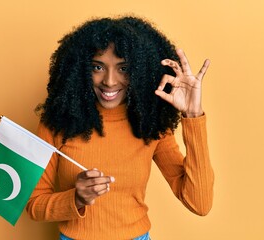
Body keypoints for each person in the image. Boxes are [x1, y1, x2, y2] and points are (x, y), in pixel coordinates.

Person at [26, 15, 214, 240]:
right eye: (98, 67)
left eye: (123, 68)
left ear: (140, 72)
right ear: (80, 69)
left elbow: (199, 203)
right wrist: (76, 198)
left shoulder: (149, 124)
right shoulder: (57, 123)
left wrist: (193, 116)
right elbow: (33, 204)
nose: (110, 81)